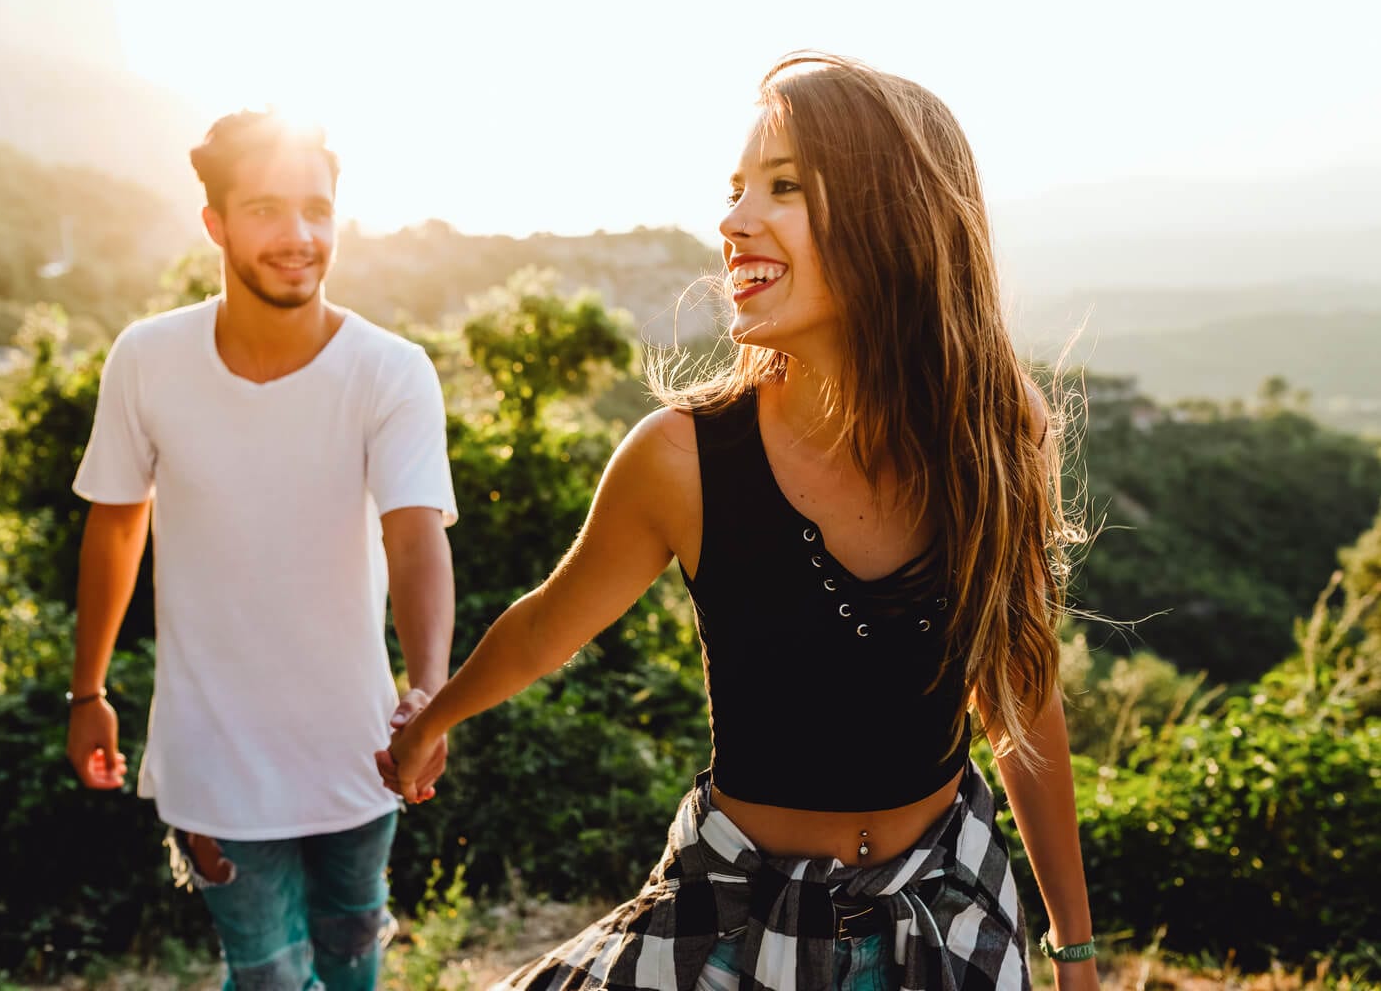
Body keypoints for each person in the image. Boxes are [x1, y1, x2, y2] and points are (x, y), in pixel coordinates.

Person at [381, 52, 1099, 991]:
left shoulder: (999, 432)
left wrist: (1074, 953)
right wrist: (432, 717)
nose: (731, 221)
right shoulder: (681, 459)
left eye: (786, 186)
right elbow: (549, 621)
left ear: (896, 220)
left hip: (948, 915)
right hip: (734, 919)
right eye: (736, 190)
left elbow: (1021, 692)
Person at [66, 109, 457, 991]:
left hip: (359, 751)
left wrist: (429, 691)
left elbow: (415, 531)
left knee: (354, 964)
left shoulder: (390, 371)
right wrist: (88, 689)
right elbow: (117, 522)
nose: (300, 236)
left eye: (317, 210)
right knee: (270, 979)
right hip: (213, 759)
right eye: (268, 210)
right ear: (215, 223)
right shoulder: (148, 359)